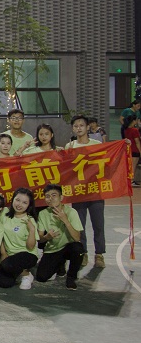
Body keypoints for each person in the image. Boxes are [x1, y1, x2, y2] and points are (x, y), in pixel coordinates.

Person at [65, 115, 106, 269]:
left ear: (88, 127)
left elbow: (108, 160)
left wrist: (125, 145)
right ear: (72, 129)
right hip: (78, 192)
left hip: (95, 191)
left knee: (98, 224)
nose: (79, 128)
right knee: (79, 225)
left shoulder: (97, 144)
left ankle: (99, 254)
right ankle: (83, 252)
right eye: (76, 126)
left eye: (81, 125)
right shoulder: (70, 146)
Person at [36, 183, 84, 291]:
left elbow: (77, 238)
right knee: (41, 277)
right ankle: (60, 264)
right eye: (47, 196)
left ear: (61, 197)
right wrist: (47, 237)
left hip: (68, 247)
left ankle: (71, 277)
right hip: (52, 249)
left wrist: (65, 220)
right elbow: (40, 238)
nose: (50, 199)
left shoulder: (71, 212)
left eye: (54, 195)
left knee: (78, 249)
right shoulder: (43, 214)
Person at [0, 187, 39, 289]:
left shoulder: (30, 220)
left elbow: (30, 247)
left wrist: (32, 230)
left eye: (24, 202)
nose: (19, 204)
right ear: (13, 200)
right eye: (18, 200)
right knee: (4, 283)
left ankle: (27, 275)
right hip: (10, 255)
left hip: (27, 254)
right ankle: (18, 271)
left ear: (29, 205)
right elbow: (0, 235)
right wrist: (3, 253)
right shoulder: (4, 213)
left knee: (7, 264)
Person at [125, 115, 141, 186]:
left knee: (130, 165)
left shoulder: (126, 129)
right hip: (135, 150)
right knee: (133, 166)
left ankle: (130, 180)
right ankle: (131, 181)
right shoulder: (135, 130)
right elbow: (137, 142)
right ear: (133, 121)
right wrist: (140, 151)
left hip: (128, 150)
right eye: (136, 120)